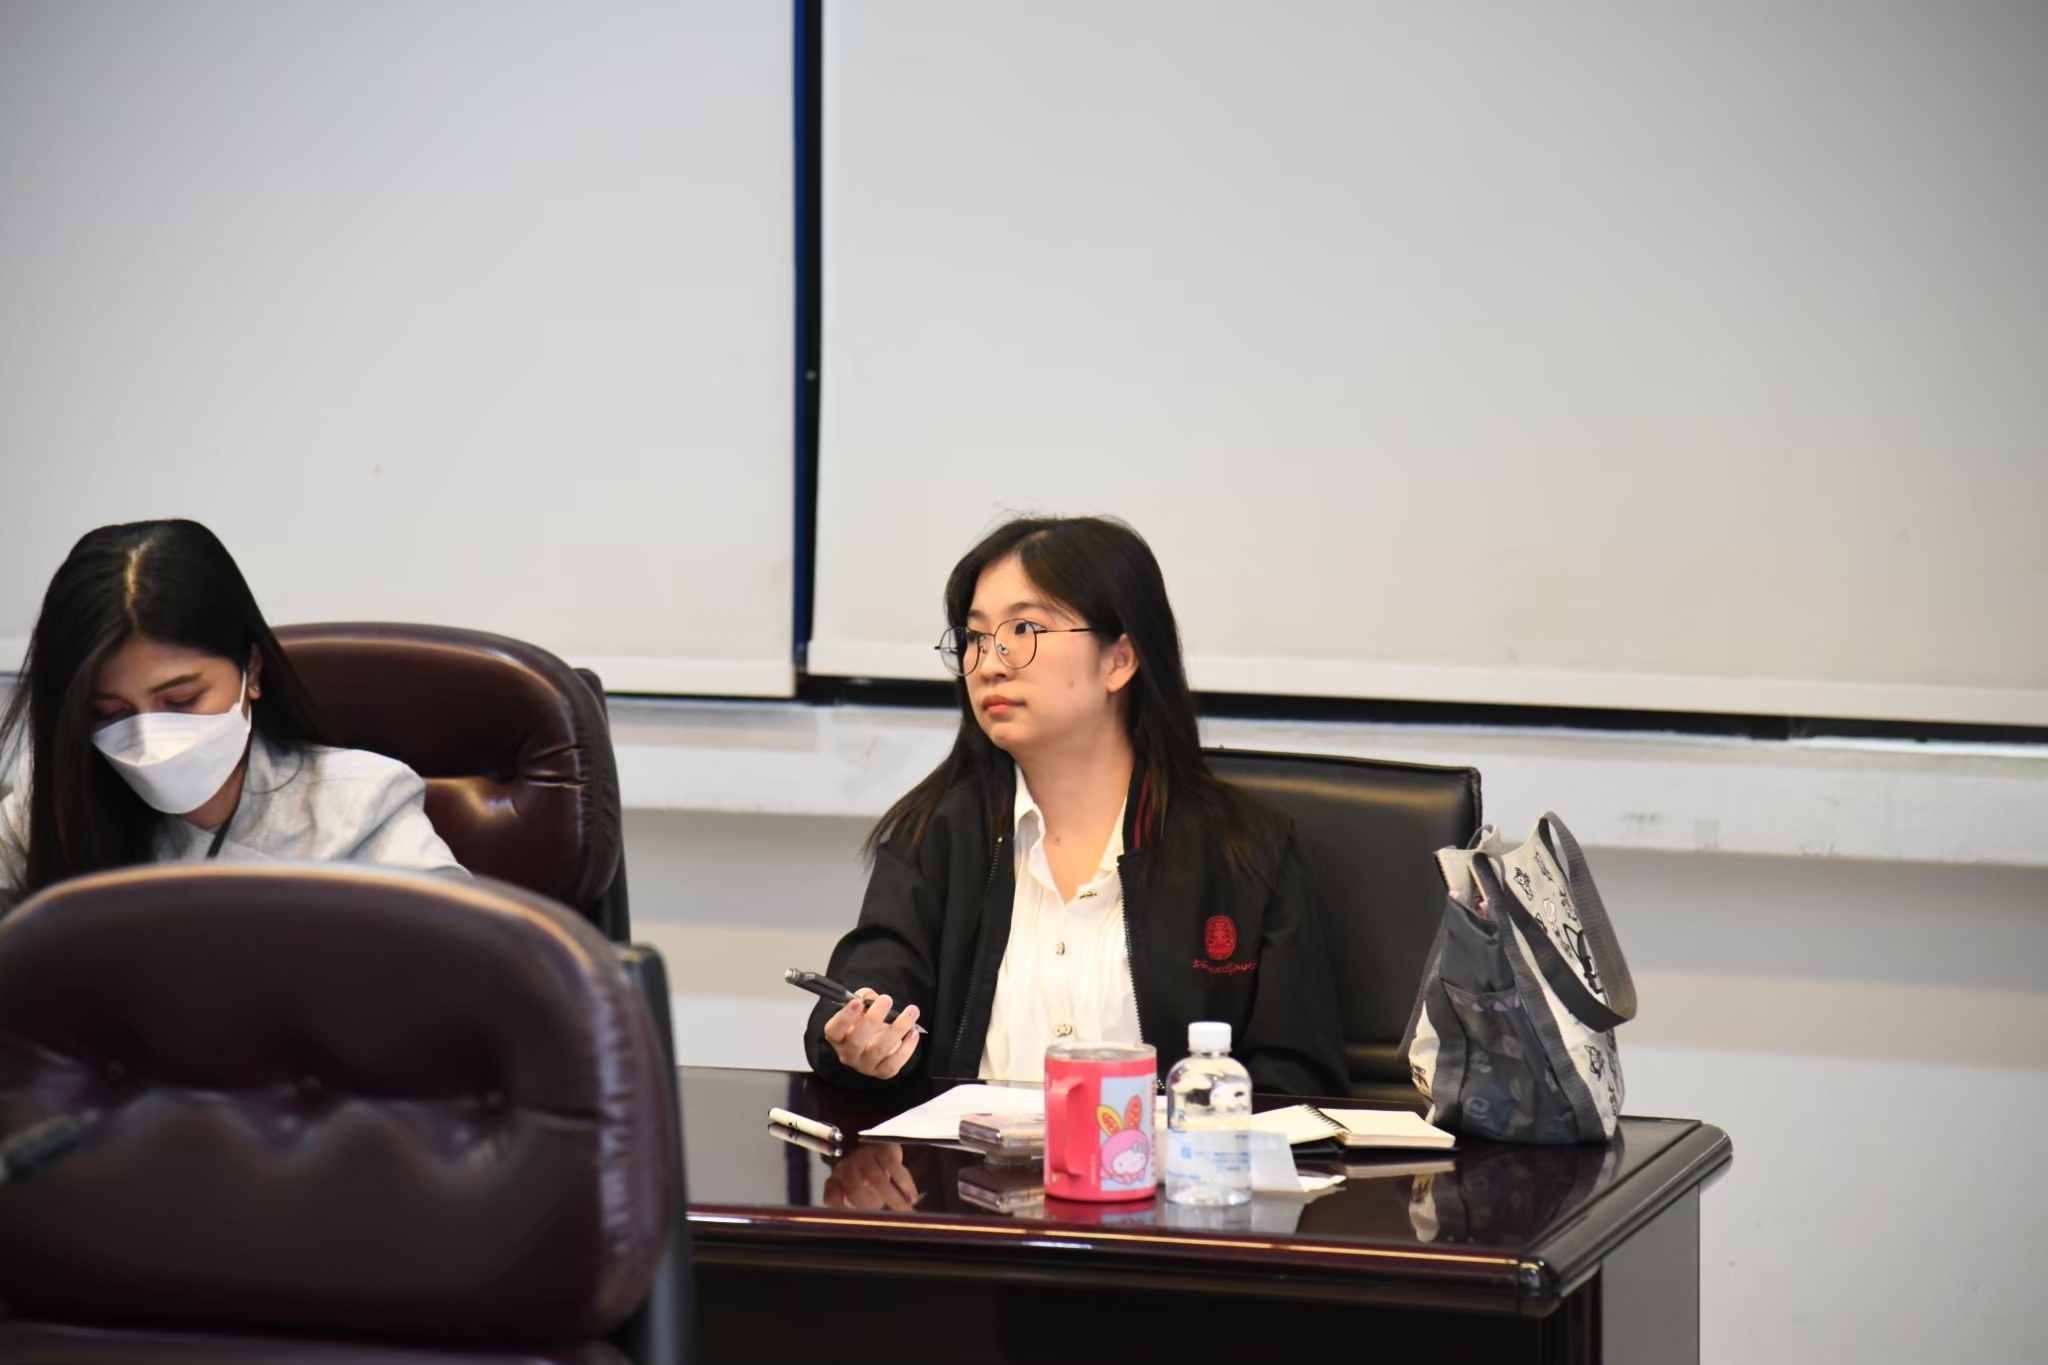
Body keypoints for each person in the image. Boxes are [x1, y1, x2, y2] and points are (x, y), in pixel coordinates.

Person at [804, 516, 1346, 1096]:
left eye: (1024, 630)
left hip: (1164, 1156)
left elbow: (1298, 1080)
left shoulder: (1242, 850)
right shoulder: (936, 835)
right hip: (966, 1155)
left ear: (1119, 661)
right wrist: (859, 1039)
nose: (990, 663)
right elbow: (870, 987)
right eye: (976, 638)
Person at [0, 520, 465, 912]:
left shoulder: (358, 804)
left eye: (181, 700)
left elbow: (462, 958)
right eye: (109, 713)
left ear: (252, 671)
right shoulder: (48, 804)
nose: (147, 741)